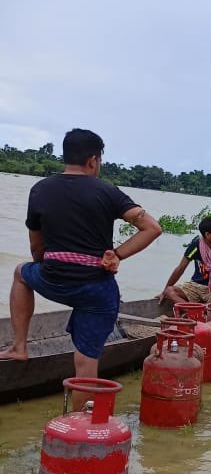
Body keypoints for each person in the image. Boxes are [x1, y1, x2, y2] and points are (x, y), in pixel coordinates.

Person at [0, 128, 162, 403]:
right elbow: (152, 227)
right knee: (86, 364)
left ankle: (19, 346)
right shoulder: (107, 192)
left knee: (20, 273)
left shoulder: (39, 189)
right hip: (95, 289)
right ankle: (80, 425)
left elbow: (36, 247)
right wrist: (117, 255)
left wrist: (48, 267)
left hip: (53, 280)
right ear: (93, 161)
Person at [159, 216, 211, 307]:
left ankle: (195, 310)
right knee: (169, 291)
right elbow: (180, 268)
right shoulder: (195, 246)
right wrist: (164, 292)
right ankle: (193, 310)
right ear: (207, 235)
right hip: (196, 286)